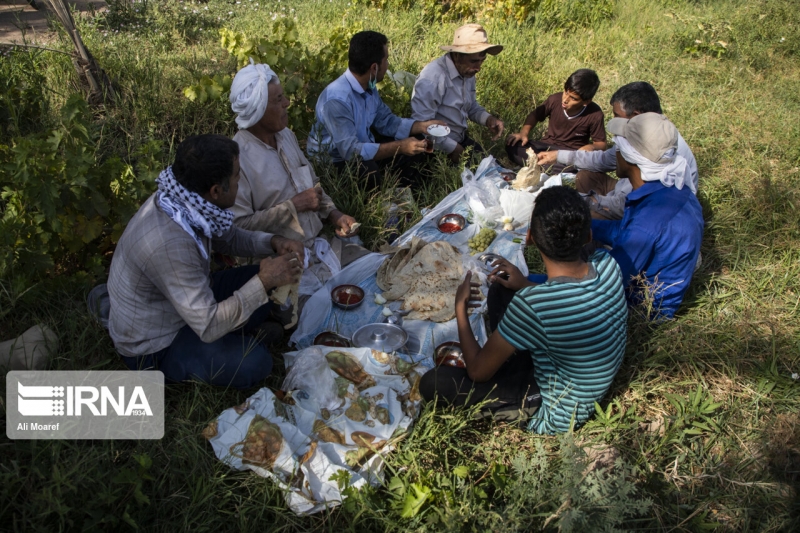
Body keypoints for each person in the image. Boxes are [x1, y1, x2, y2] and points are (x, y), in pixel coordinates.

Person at [419, 186, 628, 434]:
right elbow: (570, 301)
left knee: (434, 383)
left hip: (553, 410)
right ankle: (505, 353)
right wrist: (525, 284)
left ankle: (508, 377)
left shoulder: (532, 305)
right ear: (588, 236)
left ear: (528, 238)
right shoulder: (607, 264)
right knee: (501, 289)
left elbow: (476, 372)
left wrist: (460, 309)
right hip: (578, 368)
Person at [108, 134, 305, 389]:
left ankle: (240, 334)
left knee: (265, 289)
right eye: (237, 177)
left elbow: (229, 237)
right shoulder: (171, 244)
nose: (239, 183)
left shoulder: (189, 201)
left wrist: (273, 242)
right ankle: (200, 360)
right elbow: (209, 325)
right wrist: (264, 280)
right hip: (158, 343)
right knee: (256, 363)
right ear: (216, 190)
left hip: (185, 304)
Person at [228, 62, 370, 299]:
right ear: (259, 109)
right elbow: (238, 229)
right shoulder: (238, 158)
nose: (286, 104)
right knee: (319, 317)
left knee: (375, 268)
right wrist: (293, 206)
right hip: (282, 263)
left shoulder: (286, 135)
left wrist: (335, 215)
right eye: (279, 99)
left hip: (319, 247)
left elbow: (313, 184)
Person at [591, 112, 704, 319]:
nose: (614, 152)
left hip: (641, 308)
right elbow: (626, 233)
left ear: (629, 156)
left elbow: (601, 283)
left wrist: (531, 281)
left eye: (617, 147)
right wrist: (585, 225)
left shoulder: (649, 220)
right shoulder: (675, 190)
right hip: (650, 282)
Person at [536, 81, 698, 219]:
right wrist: (559, 155)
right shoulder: (641, 134)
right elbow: (603, 160)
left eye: (616, 115)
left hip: (642, 211)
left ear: (635, 115)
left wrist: (579, 200)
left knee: (586, 217)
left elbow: (630, 203)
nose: (614, 120)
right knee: (585, 176)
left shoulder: (657, 150)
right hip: (625, 194)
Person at [307, 31, 444, 188]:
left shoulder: (368, 88)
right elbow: (350, 152)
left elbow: (386, 121)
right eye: (386, 60)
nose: (387, 65)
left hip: (361, 148)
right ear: (374, 67)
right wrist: (400, 147)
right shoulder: (337, 100)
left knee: (417, 140)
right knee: (367, 171)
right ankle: (381, 203)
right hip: (335, 162)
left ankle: (406, 194)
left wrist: (421, 126)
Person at [410, 24, 505, 163]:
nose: (478, 68)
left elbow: (470, 106)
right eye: (473, 61)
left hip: (459, 140)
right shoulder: (433, 78)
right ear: (457, 55)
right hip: (434, 147)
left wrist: (489, 119)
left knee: (496, 171)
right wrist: (453, 148)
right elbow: (422, 126)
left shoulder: (467, 72)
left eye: (482, 61)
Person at [506, 68, 607, 172]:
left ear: (586, 101)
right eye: (566, 92)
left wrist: (591, 147)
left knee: (583, 165)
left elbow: (601, 143)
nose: (565, 99)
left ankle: (539, 165)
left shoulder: (595, 114)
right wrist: (524, 132)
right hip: (546, 147)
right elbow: (535, 115)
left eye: (573, 98)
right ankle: (545, 166)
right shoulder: (554, 100)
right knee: (513, 145)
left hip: (570, 153)